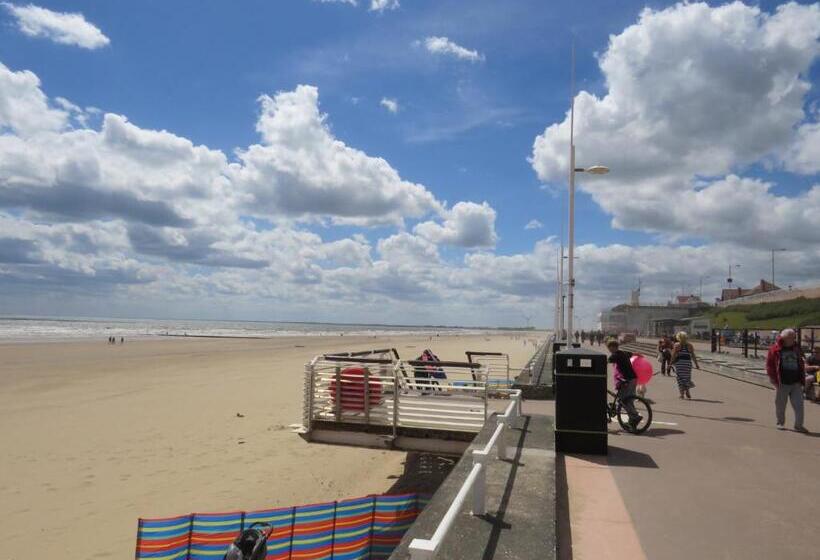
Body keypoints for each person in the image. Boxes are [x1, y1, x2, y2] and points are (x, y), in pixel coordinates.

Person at [766, 329, 807, 432]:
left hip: (796, 382)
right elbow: (769, 365)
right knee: (780, 405)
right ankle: (780, 423)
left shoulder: (797, 348)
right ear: (784, 338)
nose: (793, 339)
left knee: (799, 405)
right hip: (782, 382)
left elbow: (802, 361)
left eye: (794, 337)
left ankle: (798, 426)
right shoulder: (775, 349)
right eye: (791, 337)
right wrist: (772, 379)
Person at [606, 338, 641, 427]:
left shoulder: (615, 355)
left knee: (623, 400)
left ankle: (635, 416)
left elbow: (606, 361)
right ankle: (632, 421)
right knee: (629, 399)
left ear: (613, 347)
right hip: (633, 378)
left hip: (627, 379)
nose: (609, 349)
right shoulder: (623, 352)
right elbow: (632, 354)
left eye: (609, 347)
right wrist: (638, 355)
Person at [671, 331, 699, 399]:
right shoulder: (690, 345)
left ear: (678, 338)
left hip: (679, 363)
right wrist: (696, 364)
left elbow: (673, 355)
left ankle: (682, 394)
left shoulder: (677, 345)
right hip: (687, 363)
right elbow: (693, 356)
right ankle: (687, 391)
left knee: (680, 378)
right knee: (687, 378)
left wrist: (670, 363)